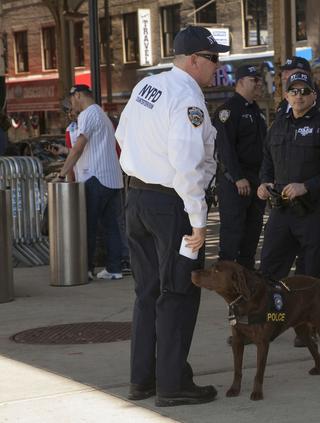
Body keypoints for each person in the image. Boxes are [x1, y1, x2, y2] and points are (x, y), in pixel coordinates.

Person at [115, 26, 226, 407]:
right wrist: (198, 220)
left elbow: (123, 132)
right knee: (178, 291)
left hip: (139, 199)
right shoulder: (187, 98)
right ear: (194, 60)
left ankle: (142, 379)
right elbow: (187, 165)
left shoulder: (149, 86)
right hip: (171, 206)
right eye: (213, 59)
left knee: (147, 293)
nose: (218, 66)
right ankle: (173, 384)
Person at [257, 71, 320, 346]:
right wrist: (264, 183)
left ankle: (308, 329)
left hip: (313, 212)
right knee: (270, 272)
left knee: (309, 277)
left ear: (314, 95)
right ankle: (269, 324)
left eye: (304, 91)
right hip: (282, 212)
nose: (298, 96)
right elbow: (267, 162)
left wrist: (307, 186)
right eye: (293, 91)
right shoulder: (278, 125)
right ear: (286, 95)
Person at [57, 84, 125, 281]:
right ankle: (114, 268)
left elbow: (78, 147)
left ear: (77, 95)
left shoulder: (88, 114)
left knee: (88, 225)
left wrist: (62, 174)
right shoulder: (102, 115)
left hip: (95, 176)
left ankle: (85, 269)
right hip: (112, 178)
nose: (71, 105)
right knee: (111, 225)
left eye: (71, 100)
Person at [213, 64, 267, 269]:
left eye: (260, 80)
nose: (259, 84)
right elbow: (224, 149)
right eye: (254, 80)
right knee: (233, 230)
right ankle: (225, 274)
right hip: (235, 181)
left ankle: (246, 274)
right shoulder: (228, 111)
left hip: (256, 179)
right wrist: (237, 177)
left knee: (252, 230)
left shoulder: (256, 112)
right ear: (241, 82)